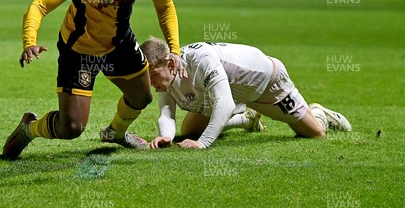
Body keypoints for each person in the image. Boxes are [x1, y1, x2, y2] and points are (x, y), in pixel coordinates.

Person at [2, 0, 186, 160]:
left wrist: (174, 49)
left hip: (118, 43)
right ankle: (29, 128)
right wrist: (29, 41)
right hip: (79, 48)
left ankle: (115, 133)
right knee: (71, 128)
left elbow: (165, 7)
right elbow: (39, 5)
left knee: (142, 96)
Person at [140, 36, 352, 150]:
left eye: (152, 75)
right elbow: (167, 112)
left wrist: (203, 144)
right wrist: (166, 136)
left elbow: (224, 104)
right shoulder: (168, 76)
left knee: (314, 134)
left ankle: (318, 113)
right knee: (189, 132)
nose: (150, 83)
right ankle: (246, 120)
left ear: (168, 62)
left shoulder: (200, 60)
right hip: (229, 91)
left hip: (266, 82)